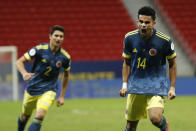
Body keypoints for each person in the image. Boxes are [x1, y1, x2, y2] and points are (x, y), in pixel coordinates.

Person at [119, 6, 177, 131]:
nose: (143, 25)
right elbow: (126, 63)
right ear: (137, 21)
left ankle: (164, 126)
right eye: (141, 22)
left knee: (155, 118)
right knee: (130, 127)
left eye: (147, 22)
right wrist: (124, 85)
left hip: (156, 86)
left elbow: (172, 63)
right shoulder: (129, 38)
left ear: (154, 23)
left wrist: (172, 87)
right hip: (135, 87)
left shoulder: (164, 41)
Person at [16, 25, 71, 131]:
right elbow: (19, 61)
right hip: (32, 88)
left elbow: (67, 75)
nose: (58, 38)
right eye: (56, 35)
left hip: (49, 90)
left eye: (61, 36)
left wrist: (62, 96)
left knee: (40, 114)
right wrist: (24, 73)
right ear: (50, 36)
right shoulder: (39, 49)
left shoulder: (65, 57)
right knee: (24, 117)